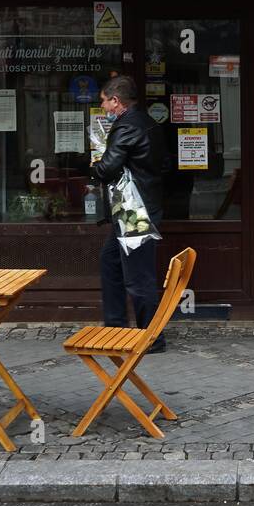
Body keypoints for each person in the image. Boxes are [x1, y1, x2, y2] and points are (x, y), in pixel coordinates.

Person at [93, 75, 170, 351]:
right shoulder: (148, 122)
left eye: (104, 101)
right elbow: (164, 165)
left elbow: (107, 168)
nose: (102, 107)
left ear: (116, 101)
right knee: (110, 262)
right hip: (137, 207)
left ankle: (152, 338)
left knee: (139, 277)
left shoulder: (127, 126)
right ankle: (115, 326)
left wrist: (94, 163)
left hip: (133, 211)